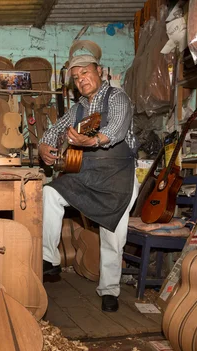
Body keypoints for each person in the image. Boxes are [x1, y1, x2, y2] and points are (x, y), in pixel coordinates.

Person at [39, 51, 138, 313]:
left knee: (112, 237)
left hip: (116, 176)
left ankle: (109, 291)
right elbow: (54, 130)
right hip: (86, 175)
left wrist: (92, 141)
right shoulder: (78, 108)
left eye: (85, 73)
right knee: (49, 193)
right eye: (76, 77)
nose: (81, 80)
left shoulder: (118, 98)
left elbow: (115, 130)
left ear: (99, 71)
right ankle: (49, 258)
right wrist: (44, 146)